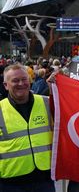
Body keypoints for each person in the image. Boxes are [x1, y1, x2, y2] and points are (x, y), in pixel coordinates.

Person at [0, 64, 55, 192]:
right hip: (10, 183)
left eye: (24, 79)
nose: (21, 83)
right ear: (6, 85)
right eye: (15, 80)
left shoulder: (47, 103)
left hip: (44, 180)